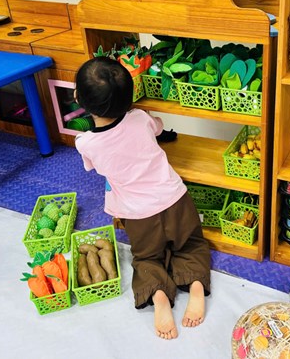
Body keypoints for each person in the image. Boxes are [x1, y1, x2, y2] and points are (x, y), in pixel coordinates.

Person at [74, 56, 211, 340]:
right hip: (176, 200)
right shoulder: (139, 118)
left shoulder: (85, 143)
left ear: (79, 100)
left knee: (147, 258)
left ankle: (158, 295)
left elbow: (95, 167)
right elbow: (158, 127)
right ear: (130, 97)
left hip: (138, 215)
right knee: (191, 244)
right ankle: (196, 286)